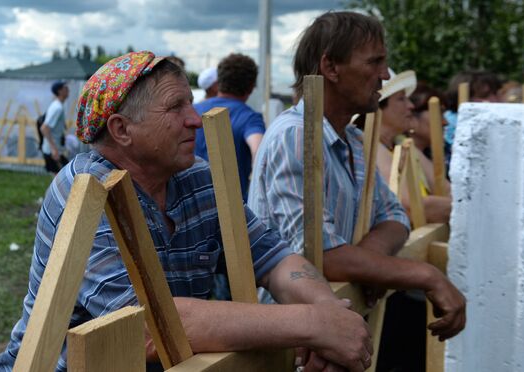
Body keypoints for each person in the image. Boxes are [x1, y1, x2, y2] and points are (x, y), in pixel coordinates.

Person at [0, 51, 373, 372]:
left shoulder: (197, 179)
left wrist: (328, 312)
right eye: (176, 107)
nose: (194, 119)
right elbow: (149, 326)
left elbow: (272, 257)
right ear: (122, 130)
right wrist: (311, 325)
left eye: (190, 102)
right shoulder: (85, 191)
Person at [248, 10, 465, 346]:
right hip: (292, 347)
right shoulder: (295, 136)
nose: (385, 75)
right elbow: (318, 256)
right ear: (330, 67)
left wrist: (368, 262)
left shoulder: (349, 139)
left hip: (331, 336)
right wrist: (425, 274)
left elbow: (395, 216)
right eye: (374, 62)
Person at [376, 69, 452, 223]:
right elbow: (410, 206)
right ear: (378, 107)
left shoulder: (402, 143)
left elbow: (448, 191)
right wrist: (469, 208)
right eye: (401, 99)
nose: (410, 106)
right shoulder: (371, 147)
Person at [194, 53, 264, 201]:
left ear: (219, 82)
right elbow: (259, 152)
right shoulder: (250, 118)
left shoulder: (191, 111)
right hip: (233, 210)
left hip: (190, 207)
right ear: (251, 87)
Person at [41, 80, 69, 173]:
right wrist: (54, 149)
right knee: (62, 181)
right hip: (52, 151)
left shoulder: (57, 105)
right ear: (59, 91)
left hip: (54, 150)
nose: (68, 89)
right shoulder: (57, 107)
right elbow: (44, 128)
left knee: (62, 180)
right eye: (65, 88)